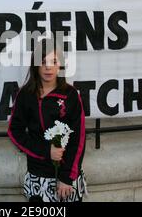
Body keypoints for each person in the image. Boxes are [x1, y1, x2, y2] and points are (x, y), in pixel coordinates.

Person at [7, 38, 87, 202]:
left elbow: (79, 139)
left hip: (65, 179)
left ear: (60, 65)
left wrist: (66, 177)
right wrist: (45, 151)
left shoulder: (70, 95)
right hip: (38, 176)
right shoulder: (25, 95)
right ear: (35, 65)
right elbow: (14, 131)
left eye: (54, 61)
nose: (48, 67)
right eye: (43, 61)